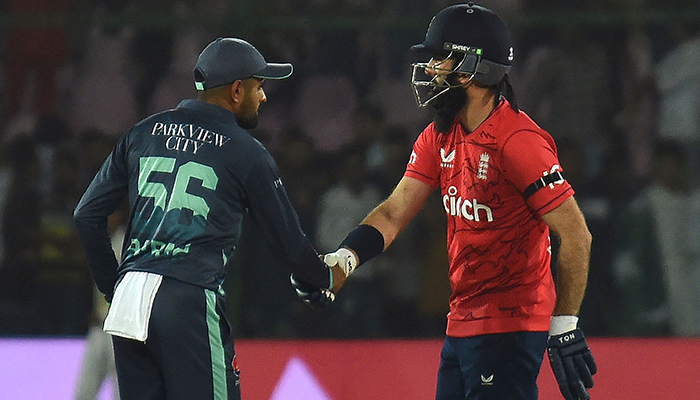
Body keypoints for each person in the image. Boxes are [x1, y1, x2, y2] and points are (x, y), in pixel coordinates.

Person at [305, 4, 596, 400]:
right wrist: (345, 259)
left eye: (438, 58)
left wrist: (564, 325)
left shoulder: (519, 142)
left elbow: (576, 233)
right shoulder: (438, 135)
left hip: (510, 327)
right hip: (461, 322)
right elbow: (393, 213)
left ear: (471, 68)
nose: (428, 70)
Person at [73, 37, 345, 400]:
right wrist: (325, 276)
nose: (263, 97)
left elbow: (86, 215)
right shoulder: (246, 152)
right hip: (188, 297)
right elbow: (289, 244)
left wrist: (114, 287)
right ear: (236, 91)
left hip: (129, 305)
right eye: (259, 86)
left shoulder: (142, 133)